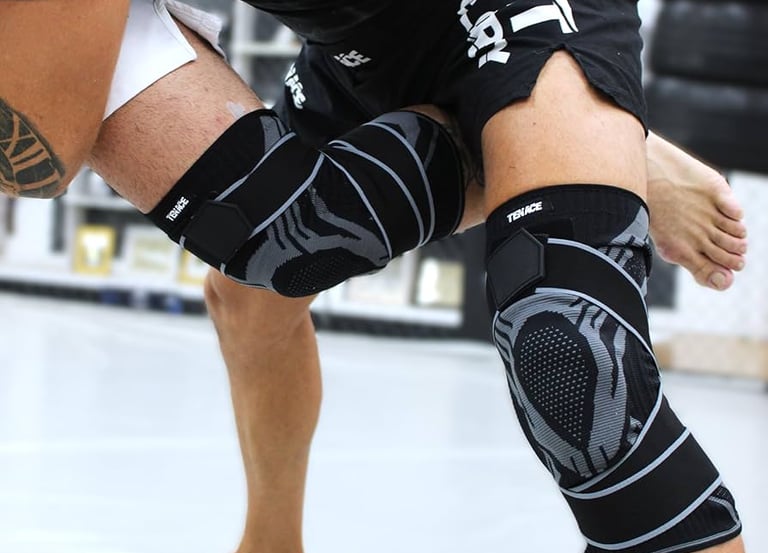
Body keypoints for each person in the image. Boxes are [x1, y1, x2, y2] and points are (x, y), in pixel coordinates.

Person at [0, 1, 747, 552]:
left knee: (572, 352)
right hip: (358, 45)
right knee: (270, 261)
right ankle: (271, 544)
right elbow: (42, 151)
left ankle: (569, 111)